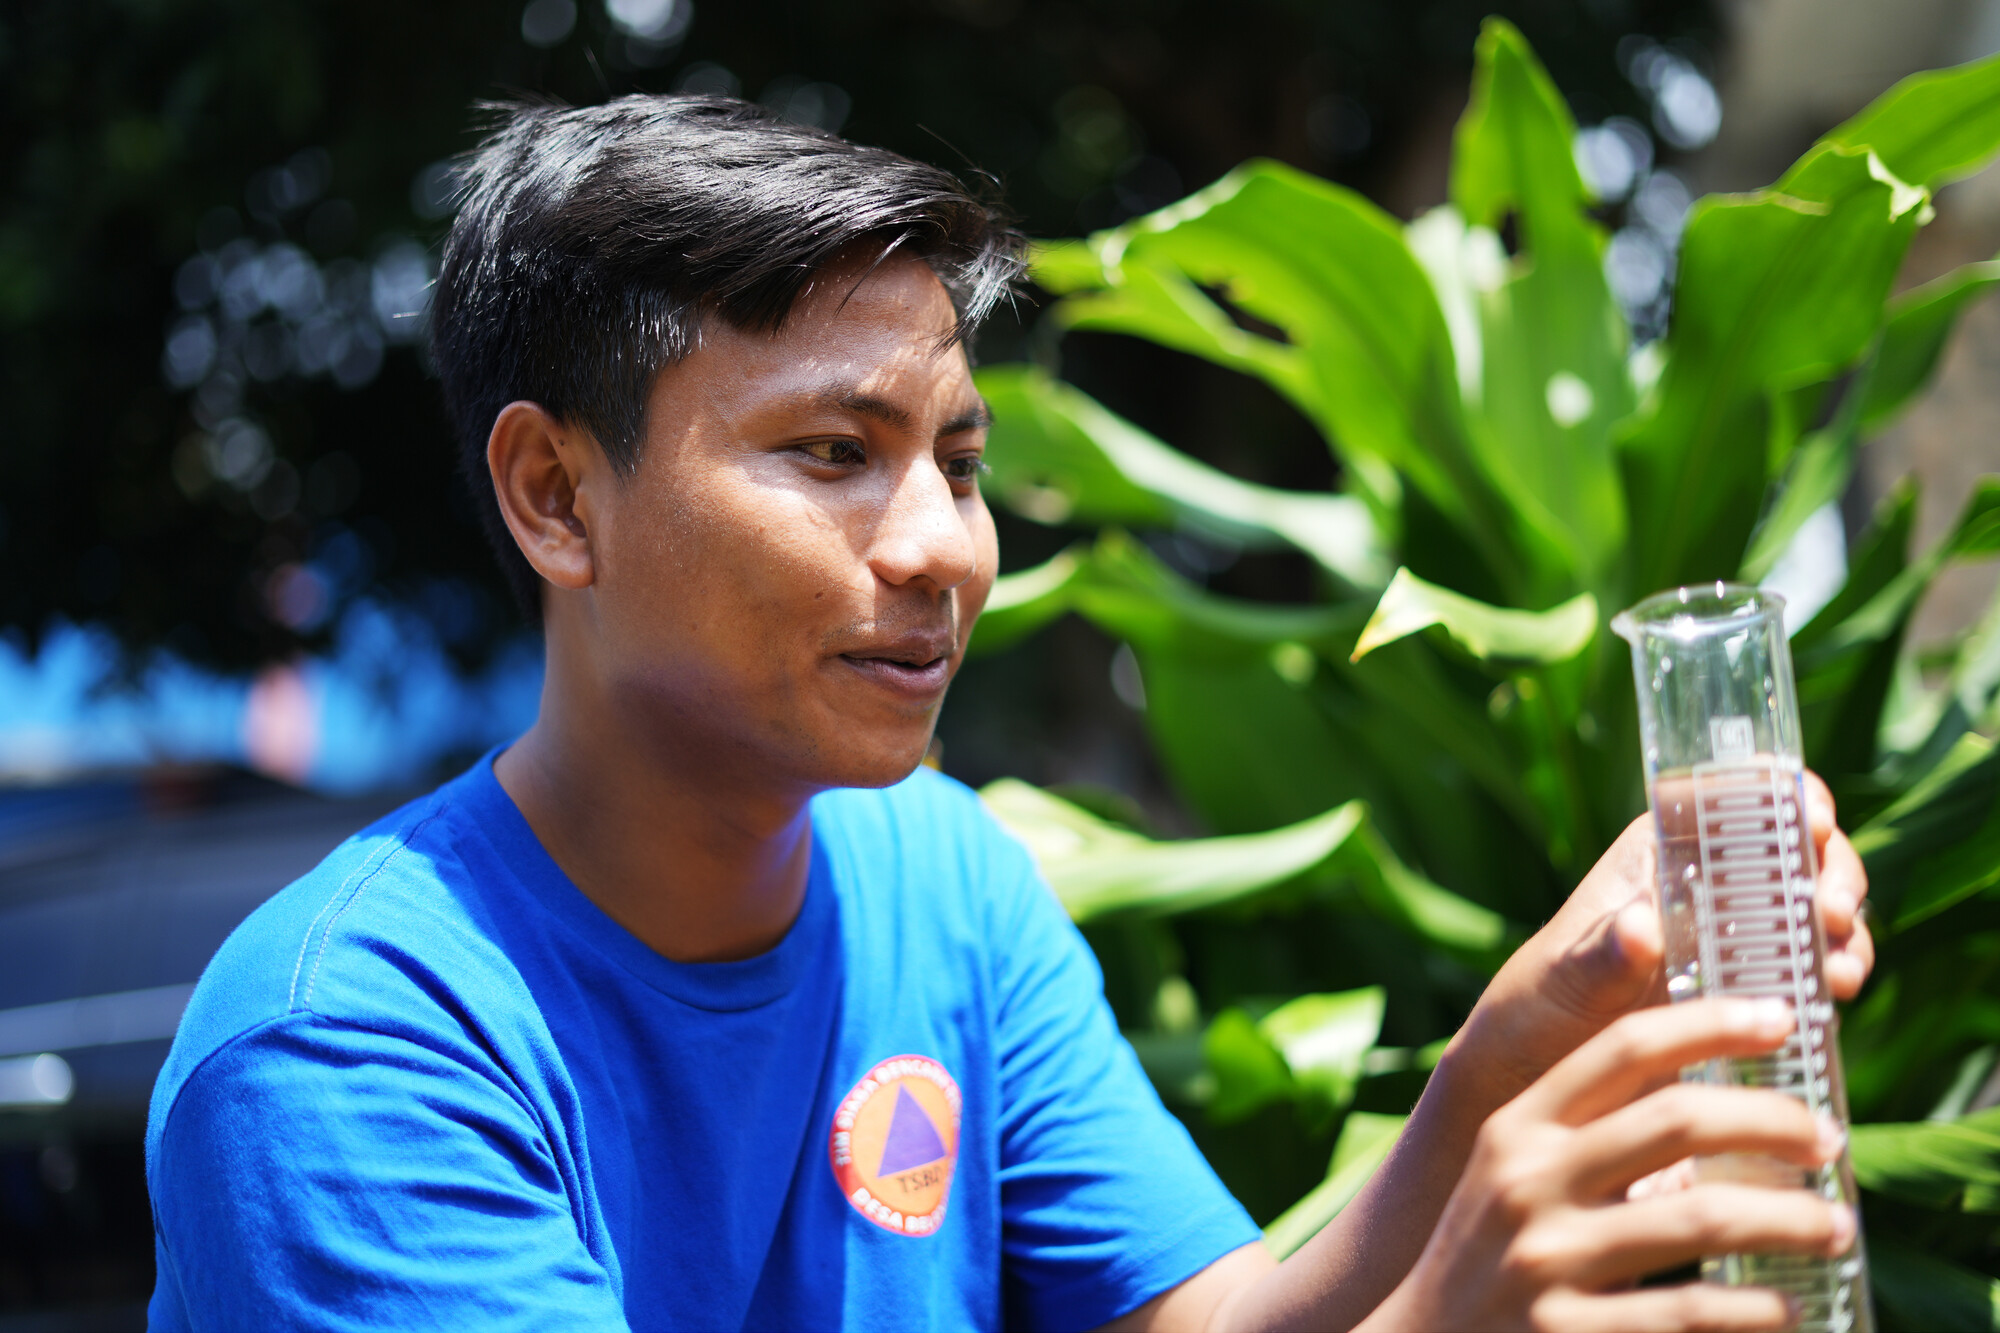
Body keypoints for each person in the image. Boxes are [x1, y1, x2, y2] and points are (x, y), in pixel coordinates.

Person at [144, 95, 1875, 1332]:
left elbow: (1207, 1319)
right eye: (833, 454)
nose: (939, 548)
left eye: (959, 464)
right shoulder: (347, 1050)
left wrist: (1516, 1048)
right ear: (555, 495)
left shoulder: (939, 878)